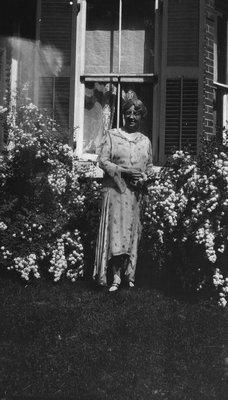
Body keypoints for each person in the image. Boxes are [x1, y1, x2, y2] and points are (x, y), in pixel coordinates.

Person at [93, 98, 153, 292]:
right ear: (124, 115)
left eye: (136, 113)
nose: (132, 116)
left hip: (135, 194)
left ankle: (129, 275)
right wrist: (125, 171)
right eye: (128, 113)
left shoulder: (145, 141)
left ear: (141, 116)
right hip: (115, 191)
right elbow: (102, 161)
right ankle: (115, 276)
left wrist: (144, 177)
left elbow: (149, 167)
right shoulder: (111, 135)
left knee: (131, 233)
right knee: (115, 234)